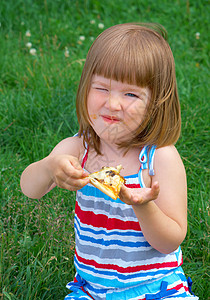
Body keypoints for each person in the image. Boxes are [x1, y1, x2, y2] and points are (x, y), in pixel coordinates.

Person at [20, 23, 198, 299]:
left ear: (156, 103)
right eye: (102, 88)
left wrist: (144, 206)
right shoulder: (80, 147)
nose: (113, 104)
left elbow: (170, 240)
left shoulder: (159, 158)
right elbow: (28, 189)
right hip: (92, 289)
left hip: (155, 287)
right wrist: (49, 167)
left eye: (130, 94)